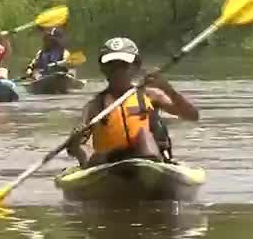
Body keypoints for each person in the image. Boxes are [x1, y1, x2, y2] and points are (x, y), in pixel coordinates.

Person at [67, 37, 198, 167]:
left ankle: (150, 166)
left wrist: (167, 89)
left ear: (136, 66)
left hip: (149, 158)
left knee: (144, 136)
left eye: (123, 65)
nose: (117, 71)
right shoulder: (94, 106)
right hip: (110, 164)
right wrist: (76, 143)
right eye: (112, 65)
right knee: (91, 153)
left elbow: (192, 116)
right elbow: (73, 149)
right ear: (103, 69)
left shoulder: (151, 95)